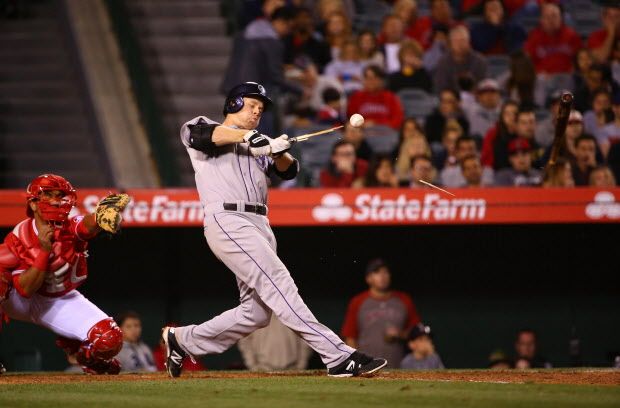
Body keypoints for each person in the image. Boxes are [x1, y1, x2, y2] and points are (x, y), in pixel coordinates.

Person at [167, 81, 387, 378]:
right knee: (279, 284)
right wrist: (252, 137)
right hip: (228, 219)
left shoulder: (259, 142)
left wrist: (278, 151)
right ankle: (336, 355)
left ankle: (182, 340)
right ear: (233, 104)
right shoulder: (205, 127)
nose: (257, 111)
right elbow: (202, 135)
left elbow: (289, 170)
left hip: (260, 223)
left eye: (261, 108)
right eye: (252, 104)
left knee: (255, 313)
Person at [0, 174, 130, 374]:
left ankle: (85, 356)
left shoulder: (69, 226)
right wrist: (44, 251)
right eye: (48, 195)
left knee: (109, 341)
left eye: (59, 195)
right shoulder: (20, 236)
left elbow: (85, 225)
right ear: (33, 204)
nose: (55, 201)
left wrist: (100, 216)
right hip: (21, 300)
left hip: (58, 299)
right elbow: (25, 289)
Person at [221, 6, 300, 135]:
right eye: (289, 27)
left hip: (233, 89)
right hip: (254, 94)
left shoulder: (243, 34)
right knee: (260, 137)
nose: (288, 32)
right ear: (281, 22)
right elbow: (276, 77)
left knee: (236, 135)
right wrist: (299, 90)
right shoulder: (272, 42)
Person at [341, 259, 420, 369]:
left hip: (399, 366)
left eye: (385, 272)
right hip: (367, 366)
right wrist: (357, 364)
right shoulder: (358, 301)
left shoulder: (403, 300)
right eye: (377, 272)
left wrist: (400, 334)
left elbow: (418, 333)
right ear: (368, 279)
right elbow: (350, 337)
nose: (382, 276)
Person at [524, 2, 581, 106]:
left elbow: (581, 58)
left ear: (561, 18)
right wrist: (538, 72)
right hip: (543, 78)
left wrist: (572, 70)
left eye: (554, 16)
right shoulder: (535, 36)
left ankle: (567, 111)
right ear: (541, 19)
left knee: (570, 80)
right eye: (547, 17)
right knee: (539, 81)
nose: (551, 20)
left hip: (564, 77)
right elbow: (526, 62)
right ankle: (539, 110)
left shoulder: (571, 35)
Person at [238, 314, 312, 371]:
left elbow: (306, 338)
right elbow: (244, 341)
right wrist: (253, 365)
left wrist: (301, 364)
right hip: (263, 368)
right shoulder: (254, 314)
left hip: (292, 369)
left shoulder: (296, 313)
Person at [433, 26, 488, 94]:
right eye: (456, 41)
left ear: (469, 42)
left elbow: (483, 86)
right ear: (451, 43)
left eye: (463, 40)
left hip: (475, 99)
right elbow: (440, 87)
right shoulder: (443, 62)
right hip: (451, 100)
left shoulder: (480, 61)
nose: (460, 44)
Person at [347, 65, 404, 130]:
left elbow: (397, 121)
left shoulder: (390, 97)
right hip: (363, 133)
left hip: (385, 132)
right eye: (367, 78)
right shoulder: (356, 97)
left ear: (381, 81)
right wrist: (363, 124)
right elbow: (351, 119)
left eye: (373, 78)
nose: (370, 82)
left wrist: (376, 124)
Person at [481, 100, 518, 170]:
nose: (511, 117)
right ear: (502, 116)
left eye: (514, 113)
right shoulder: (492, 133)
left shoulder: (524, 132)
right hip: (498, 172)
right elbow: (487, 159)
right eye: (507, 114)